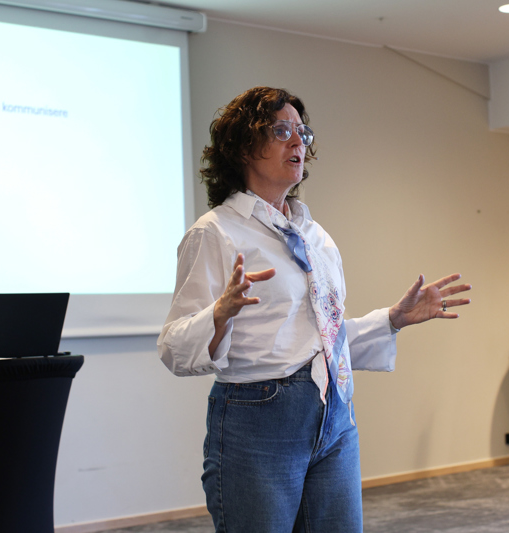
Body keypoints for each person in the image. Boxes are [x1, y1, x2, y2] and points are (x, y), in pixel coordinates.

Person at [157, 86, 471, 533]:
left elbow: (323, 338)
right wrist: (219, 314)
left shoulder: (314, 235)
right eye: (280, 131)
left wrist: (393, 319)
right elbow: (173, 347)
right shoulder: (216, 233)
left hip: (335, 416)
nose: (297, 142)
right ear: (243, 147)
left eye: (302, 132)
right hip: (258, 422)